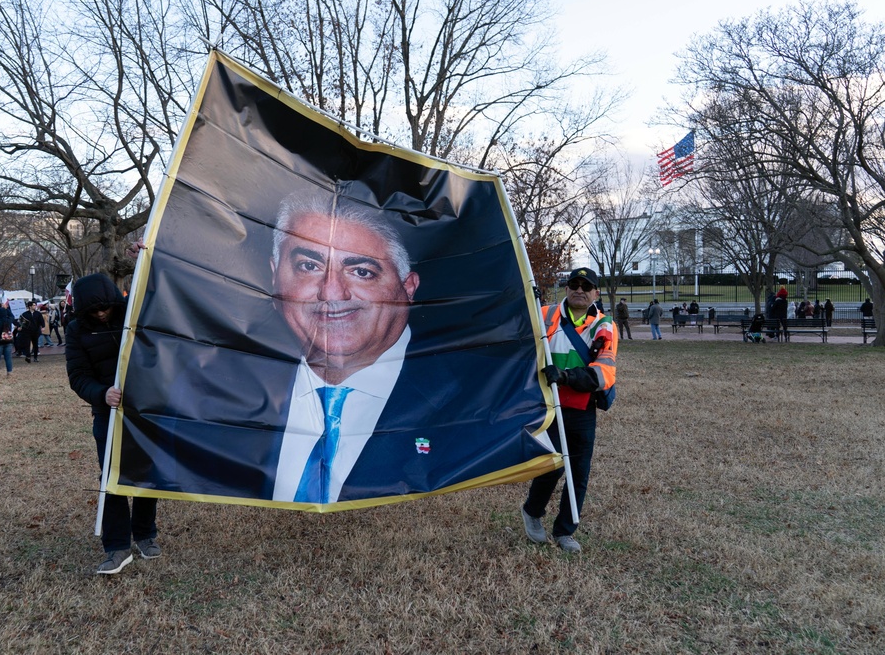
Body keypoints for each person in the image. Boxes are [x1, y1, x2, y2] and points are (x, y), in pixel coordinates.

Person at [127, 194, 552, 505]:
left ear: (407, 289)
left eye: (362, 271)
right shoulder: (210, 389)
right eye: (309, 266)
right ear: (276, 277)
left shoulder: (481, 399)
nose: (331, 293)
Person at [66, 273, 160, 575]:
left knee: (146, 473)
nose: (101, 314)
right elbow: (78, 376)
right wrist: (102, 393)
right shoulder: (76, 331)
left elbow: (157, 290)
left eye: (105, 308)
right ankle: (117, 546)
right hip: (107, 412)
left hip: (144, 408)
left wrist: (142, 258)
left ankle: (145, 533)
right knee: (112, 477)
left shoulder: (133, 313)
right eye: (93, 311)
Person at [521, 267, 616, 553]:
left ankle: (565, 531)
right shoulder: (546, 314)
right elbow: (519, 330)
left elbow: (604, 374)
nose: (579, 290)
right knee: (551, 466)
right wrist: (524, 299)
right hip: (549, 407)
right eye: (574, 284)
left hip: (582, 408)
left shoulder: (605, 325)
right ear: (566, 288)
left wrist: (565, 376)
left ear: (595, 293)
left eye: (586, 286)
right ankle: (532, 512)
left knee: (578, 472)